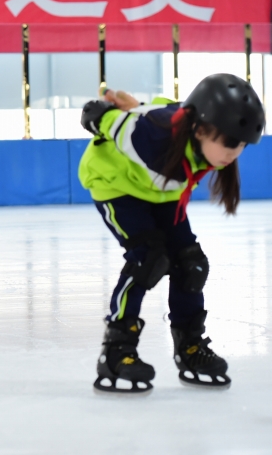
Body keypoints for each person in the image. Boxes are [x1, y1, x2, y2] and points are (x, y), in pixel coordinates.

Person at [79, 74, 265, 393]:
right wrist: (100, 114)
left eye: (242, 144)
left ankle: (190, 347)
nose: (234, 152)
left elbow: (165, 112)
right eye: (230, 142)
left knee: (191, 264)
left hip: (161, 192)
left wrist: (138, 106)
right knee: (148, 260)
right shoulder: (151, 138)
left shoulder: (204, 140)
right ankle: (117, 349)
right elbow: (109, 120)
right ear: (201, 129)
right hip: (115, 186)